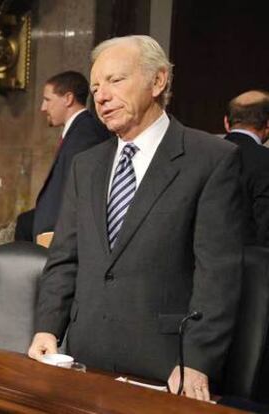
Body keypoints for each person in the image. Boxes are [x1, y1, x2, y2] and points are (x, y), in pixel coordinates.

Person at [29, 35, 243, 401]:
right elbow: (65, 258)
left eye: (115, 80)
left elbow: (217, 274)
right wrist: (48, 328)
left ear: (158, 81)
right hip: (83, 359)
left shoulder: (210, 159)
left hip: (164, 367)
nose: (101, 95)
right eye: (96, 87)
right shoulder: (87, 165)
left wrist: (196, 359)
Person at [33, 71, 110, 240]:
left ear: (68, 98)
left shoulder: (86, 134)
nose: (43, 107)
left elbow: (79, 196)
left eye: (47, 100)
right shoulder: (77, 132)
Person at [224, 90, 269, 246]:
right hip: (257, 264)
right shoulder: (265, 160)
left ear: (226, 123)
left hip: (205, 262)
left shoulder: (201, 155)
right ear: (268, 124)